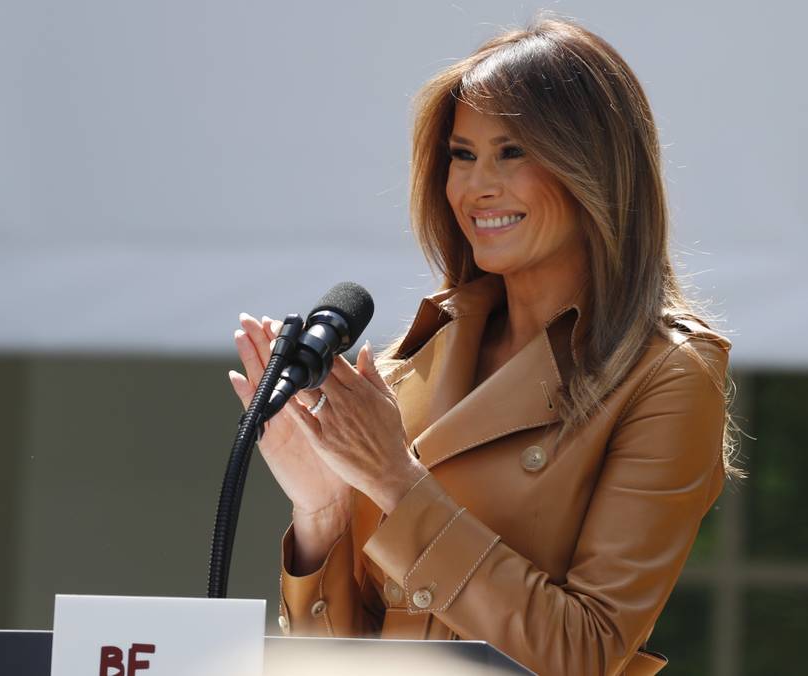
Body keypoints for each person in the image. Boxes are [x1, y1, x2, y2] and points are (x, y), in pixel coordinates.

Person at [228, 15, 741, 676]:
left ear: (594, 167)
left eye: (512, 152)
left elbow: (581, 655)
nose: (476, 188)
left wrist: (394, 481)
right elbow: (345, 657)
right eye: (462, 155)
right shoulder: (416, 359)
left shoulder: (667, 375)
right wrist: (321, 510)